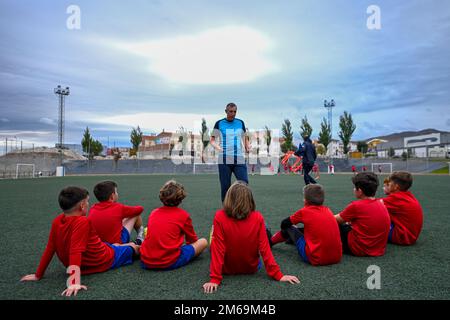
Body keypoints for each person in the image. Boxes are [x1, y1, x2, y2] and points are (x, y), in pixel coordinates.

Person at [21, 186, 139, 297]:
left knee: (115, 245)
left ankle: (123, 245)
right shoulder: (82, 222)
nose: (88, 204)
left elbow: (50, 248)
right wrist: (73, 282)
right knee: (134, 248)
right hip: (103, 260)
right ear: (82, 205)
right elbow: (75, 251)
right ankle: (140, 245)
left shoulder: (57, 221)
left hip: (98, 252)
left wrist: (38, 274)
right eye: (87, 201)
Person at [203, 181, 300, 293]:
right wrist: (278, 275)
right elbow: (265, 248)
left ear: (228, 198)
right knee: (263, 228)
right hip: (251, 268)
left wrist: (215, 278)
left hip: (225, 269)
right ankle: (266, 231)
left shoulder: (219, 216)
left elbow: (218, 249)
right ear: (250, 200)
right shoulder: (258, 217)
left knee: (214, 236)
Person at [140, 180, 208, 270]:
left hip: (146, 261)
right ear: (180, 199)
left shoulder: (154, 212)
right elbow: (192, 240)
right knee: (203, 242)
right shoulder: (183, 215)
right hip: (169, 262)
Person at [270, 184, 342, 266]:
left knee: (290, 228)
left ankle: (270, 242)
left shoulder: (304, 212)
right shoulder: (328, 210)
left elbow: (284, 223)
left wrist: (290, 230)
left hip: (315, 258)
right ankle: (290, 239)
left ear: (306, 201)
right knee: (307, 230)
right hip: (336, 257)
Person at [334, 172, 391, 257]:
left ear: (360, 191)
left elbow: (335, 219)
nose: (353, 189)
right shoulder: (381, 204)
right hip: (378, 248)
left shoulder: (356, 206)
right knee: (348, 224)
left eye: (354, 187)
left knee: (334, 225)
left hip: (359, 248)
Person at [210, 102, 251, 202]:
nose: (233, 113)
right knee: (225, 186)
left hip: (239, 158)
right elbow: (212, 140)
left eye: (235, 111)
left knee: (244, 183)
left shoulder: (240, 122)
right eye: (231, 111)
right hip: (224, 158)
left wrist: (247, 146)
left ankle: (242, 205)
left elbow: (244, 137)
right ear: (226, 111)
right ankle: (226, 209)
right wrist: (218, 147)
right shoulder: (219, 123)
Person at [88, 181, 145, 245]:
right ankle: (141, 237)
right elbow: (140, 209)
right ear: (112, 196)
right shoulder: (118, 208)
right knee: (135, 214)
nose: (117, 194)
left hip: (100, 245)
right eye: (116, 192)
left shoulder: (92, 208)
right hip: (117, 245)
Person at [382, 171, 423, 245]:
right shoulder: (407, 195)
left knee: (373, 216)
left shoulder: (395, 198)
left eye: (389, 183)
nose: (387, 185)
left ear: (396, 187)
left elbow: (372, 205)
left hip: (402, 237)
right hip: (410, 235)